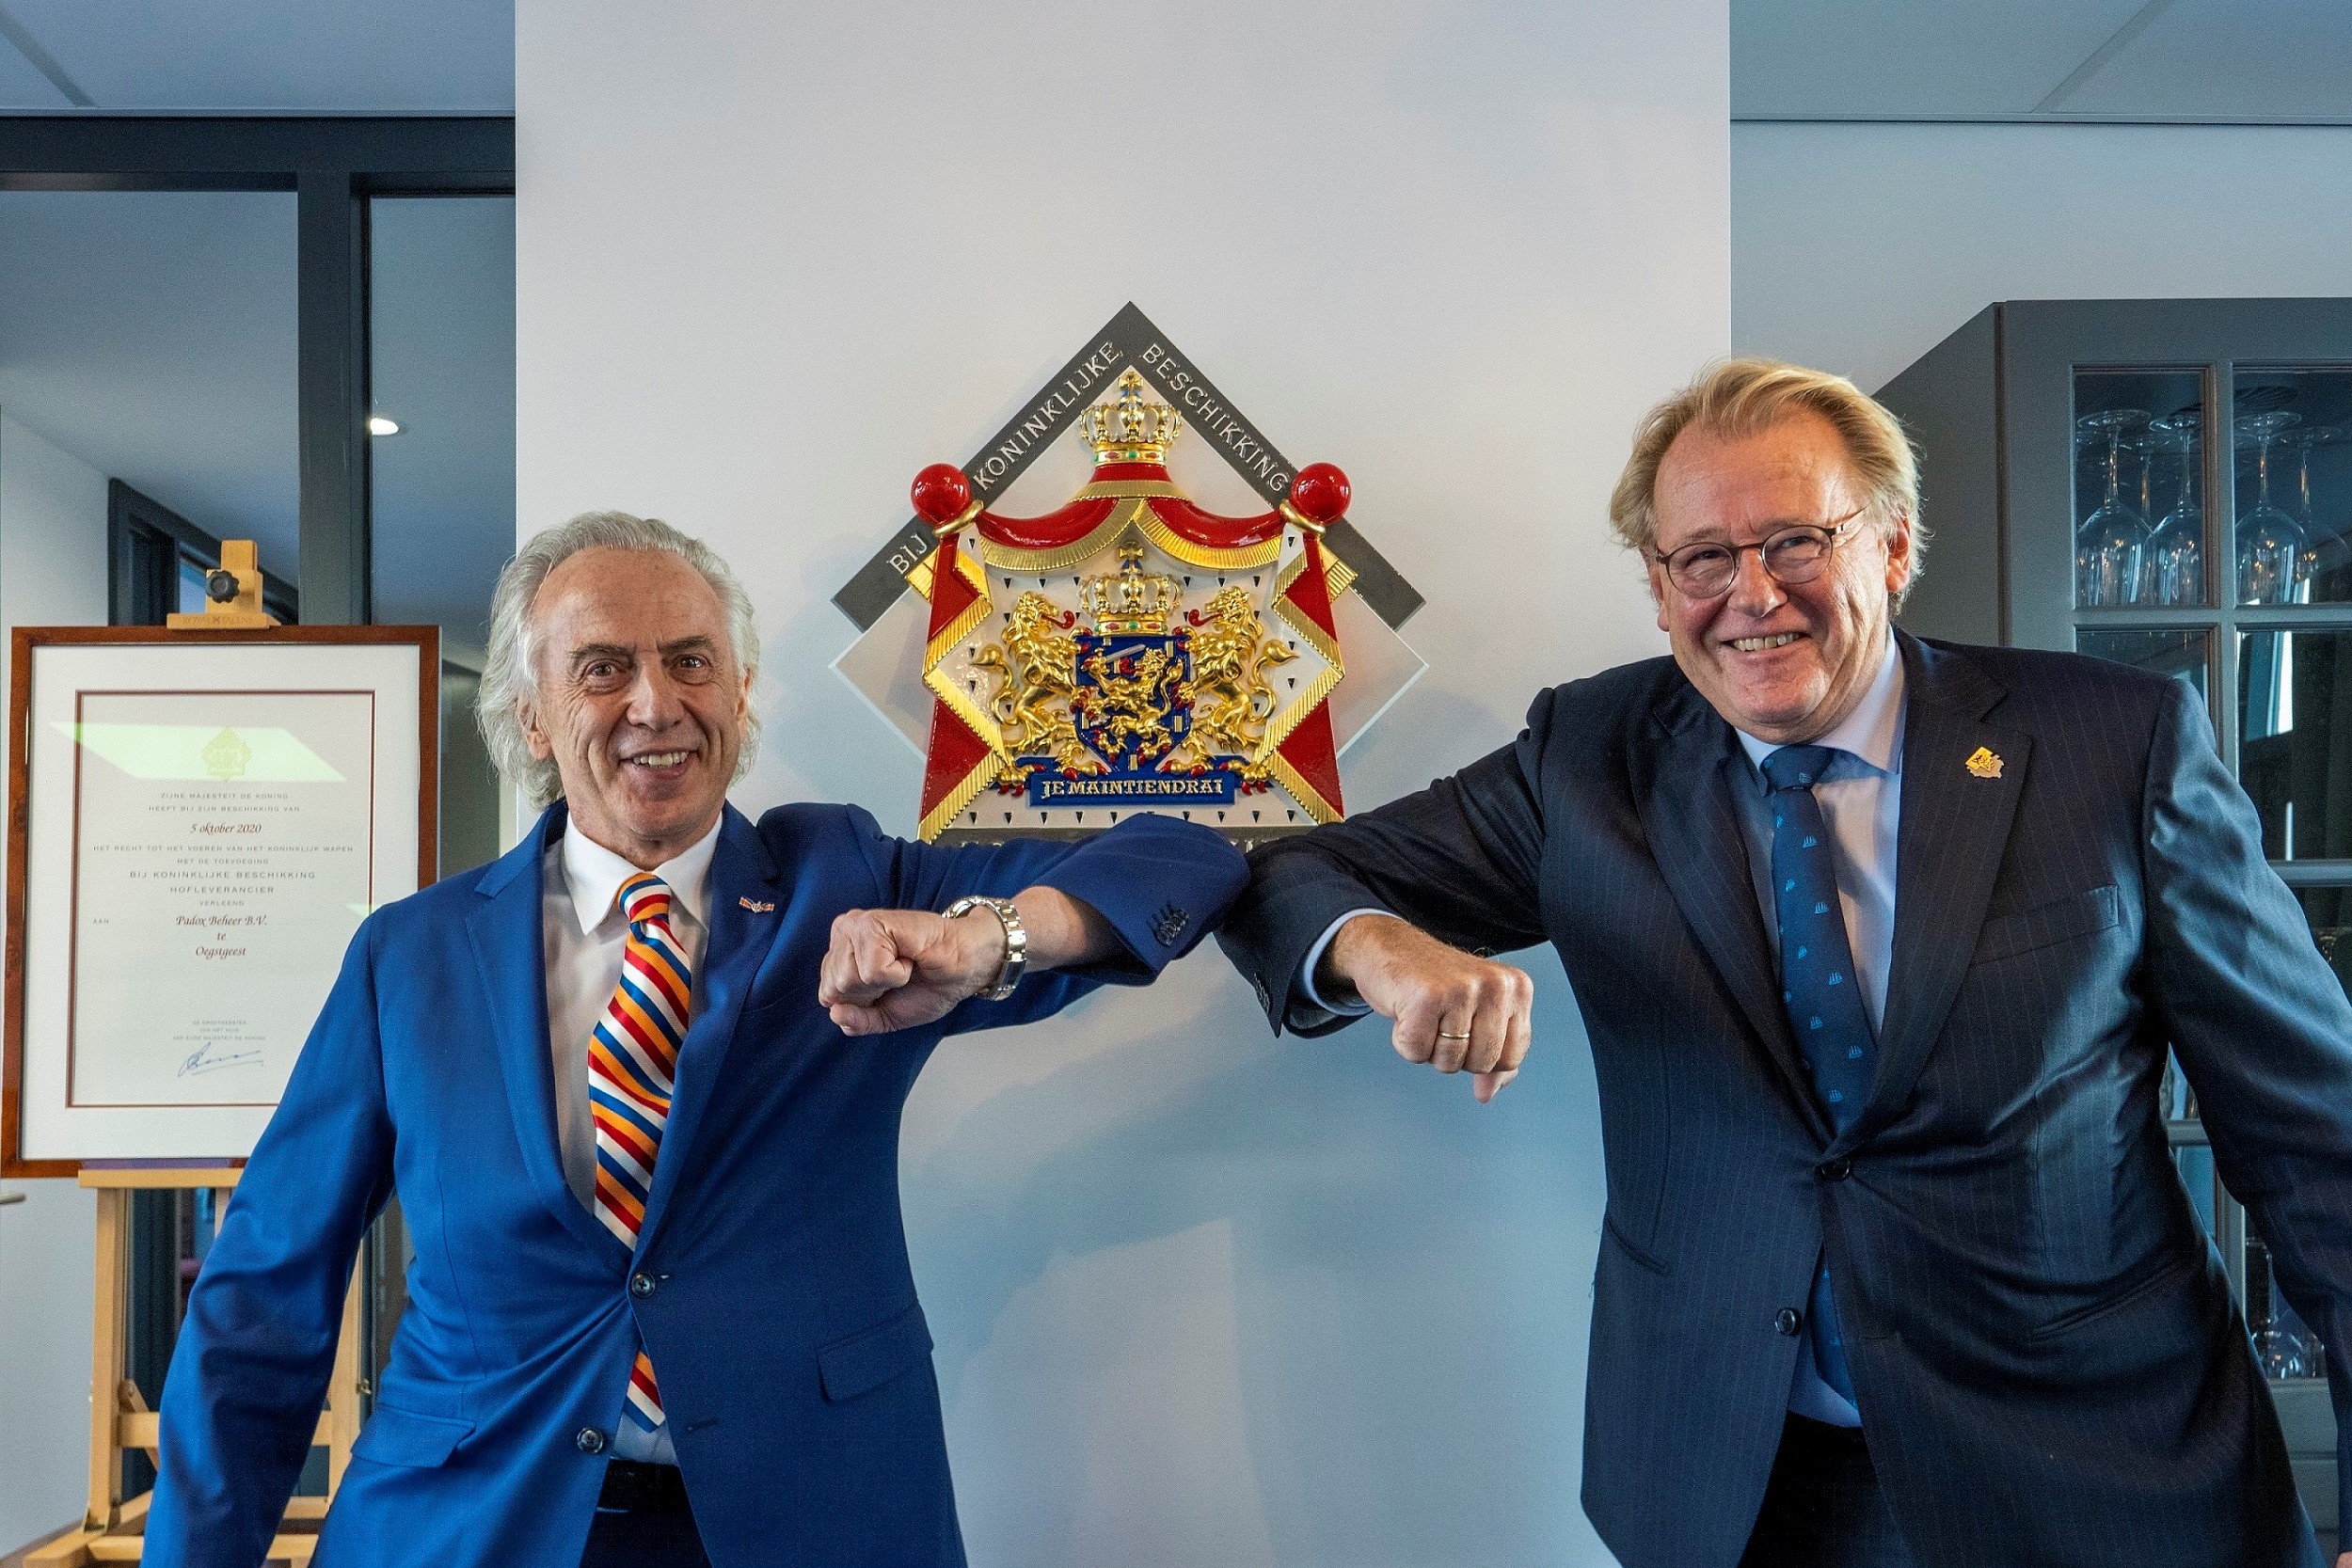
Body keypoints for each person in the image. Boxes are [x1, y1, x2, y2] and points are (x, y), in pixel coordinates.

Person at [1216, 359, 2352, 1568]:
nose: (1750, 594)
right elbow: (1289, 874)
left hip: (2100, 1476)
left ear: (1894, 545)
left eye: (1795, 541)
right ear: (1660, 590)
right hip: (1745, 1490)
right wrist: (1386, 953)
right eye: (1701, 557)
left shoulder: (2110, 742)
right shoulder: (1590, 757)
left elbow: (2317, 1141)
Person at [146, 512, 1247, 1568]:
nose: (655, 703)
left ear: (738, 691)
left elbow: (1177, 859)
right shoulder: (408, 956)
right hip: (474, 1515)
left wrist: (987, 939)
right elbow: (263, 1295)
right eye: (602, 668)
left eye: (690, 661)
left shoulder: (849, 885)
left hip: (812, 1511)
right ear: (532, 715)